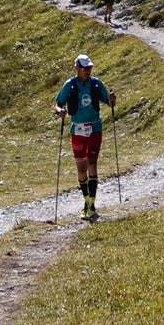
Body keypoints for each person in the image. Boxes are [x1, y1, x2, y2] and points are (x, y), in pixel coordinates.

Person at [53, 51, 115, 220]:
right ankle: (86, 201)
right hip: (77, 129)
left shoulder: (96, 84)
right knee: (81, 169)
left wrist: (111, 99)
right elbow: (58, 103)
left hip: (95, 128)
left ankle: (91, 204)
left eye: (89, 67)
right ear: (77, 68)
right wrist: (60, 111)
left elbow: (107, 102)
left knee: (92, 163)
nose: (87, 71)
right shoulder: (70, 84)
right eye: (84, 68)